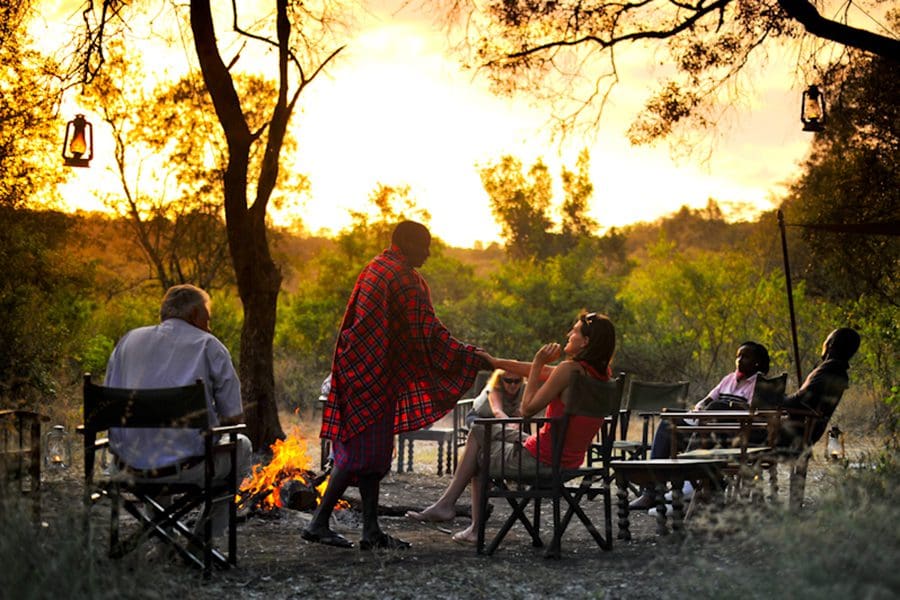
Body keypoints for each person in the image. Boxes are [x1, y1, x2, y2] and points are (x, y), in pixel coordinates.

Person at [302, 221, 489, 550]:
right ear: (407, 244)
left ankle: (370, 531)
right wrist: (472, 356)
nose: (429, 253)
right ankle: (319, 522)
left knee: (369, 456)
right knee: (356, 456)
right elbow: (427, 332)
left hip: (360, 371)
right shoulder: (400, 276)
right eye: (425, 246)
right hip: (371, 377)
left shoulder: (377, 266)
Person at [406, 312, 616, 545]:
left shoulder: (569, 370)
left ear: (585, 341)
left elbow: (526, 409)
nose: (569, 334)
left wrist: (538, 362)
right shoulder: (601, 376)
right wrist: (496, 363)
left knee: (479, 450)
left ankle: (470, 525)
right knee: (479, 430)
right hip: (568, 461)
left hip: (540, 461)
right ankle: (447, 506)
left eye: (574, 331)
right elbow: (533, 371)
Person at [105, 284, 252, 540]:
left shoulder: (128, 342)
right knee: (243, 445)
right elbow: (234, 416)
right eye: (208, 316)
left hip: (128, 465)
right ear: (195, 313)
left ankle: (165, 542)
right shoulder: (209, 345)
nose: (210, 324)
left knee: (154, 445)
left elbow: (107, 401)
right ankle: (200, 543)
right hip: (186, 466)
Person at [629, 341, 771, 510]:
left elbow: (752, 414)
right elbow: (707, 400)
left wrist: (722, 407)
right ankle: (652, 492)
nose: (739, 360)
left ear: (758, 362)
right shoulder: (729, 379)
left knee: (715, 410)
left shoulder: (761, 385)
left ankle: (688, 484)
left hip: (732, 437)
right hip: (706, 428)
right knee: (668, 421)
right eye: (738, 356)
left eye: (745, 356)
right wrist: (701, 407)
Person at [776, 328, 860, 447]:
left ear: (830, 345)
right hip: (807, 431)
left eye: (826, 340)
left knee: (743, 428)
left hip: (792, 434)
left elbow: (797, 402)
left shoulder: (829, 371)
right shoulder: (837, 370)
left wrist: (773, 398)